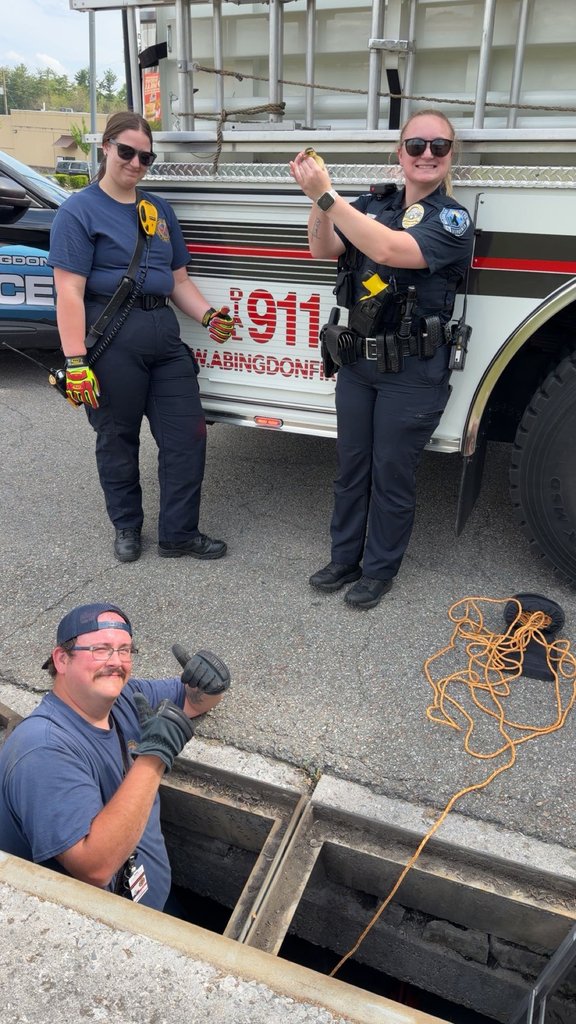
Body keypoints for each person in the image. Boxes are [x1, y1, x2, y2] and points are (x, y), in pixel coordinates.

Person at [289, 109, 474, 610]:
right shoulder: (376, 203)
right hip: (358, 363)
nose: (427, 155)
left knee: (391, 473)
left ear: (450, 155)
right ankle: (344, 557)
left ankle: (378, 570)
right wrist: (318, 204)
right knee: (351, 467)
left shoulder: (452, 220)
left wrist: (328, 195)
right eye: (416, 145)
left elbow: (392, 252)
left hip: (412, 372)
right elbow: (323, 249)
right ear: (401, 153)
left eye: (439, 146)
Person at [48, 111, 234, 564]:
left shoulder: (158, 210)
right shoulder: (79, 211)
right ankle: (127, 526)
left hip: (165, 342)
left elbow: (178, 281)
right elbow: (69, 292)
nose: (135, 163)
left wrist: (208, 316)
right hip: (112, 344)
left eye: (145, 156)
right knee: (117, 437)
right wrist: (75, 362)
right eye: (127, 151)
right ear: (106, 148)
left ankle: (179, 534)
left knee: (187, 436)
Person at [0, 602, 231, 911]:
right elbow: (95, 868)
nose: (116, 662)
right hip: (114, 926)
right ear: (61, 659)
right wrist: (154, 757)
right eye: (100, 649)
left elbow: (193, 701)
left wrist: (211, 684)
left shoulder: (125, 698)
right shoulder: (42, 750)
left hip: (152, 894)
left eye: (125, 650)